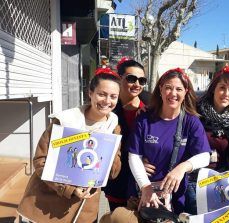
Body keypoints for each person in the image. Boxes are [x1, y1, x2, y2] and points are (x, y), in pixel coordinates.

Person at [17, 68, 122, 223]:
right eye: (102, 94)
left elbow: (113, 173)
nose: (107, 101)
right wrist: (68, 188)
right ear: (90, 93)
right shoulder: (65, 121)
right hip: (47, 203)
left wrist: (109, 150)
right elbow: (41, 161)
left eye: (113, 96)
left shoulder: (113, 126)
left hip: (84, 209)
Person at [128, 68, 211, 215]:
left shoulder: (191, 122)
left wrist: (183, 167)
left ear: (185, 92)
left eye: (179, 89)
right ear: (160, 90)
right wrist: (145, 186)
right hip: (143, 192)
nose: (173, 93)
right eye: (168, 88)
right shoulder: (144, 118)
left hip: (175, 197)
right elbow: (134, 156)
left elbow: (205, 156)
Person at [184, 65, 229, 214]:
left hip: (223, 182)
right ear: (213, 89)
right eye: (222, 88)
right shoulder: (194, 111)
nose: (226, 94)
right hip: (195, 182)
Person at [103, 57, 148, 211]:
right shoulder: (107, 109)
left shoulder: (152, 107)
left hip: (145, 185)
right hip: (117, 183)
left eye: (142, 80)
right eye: (131, 79)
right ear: (119, 78)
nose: (137, 84)